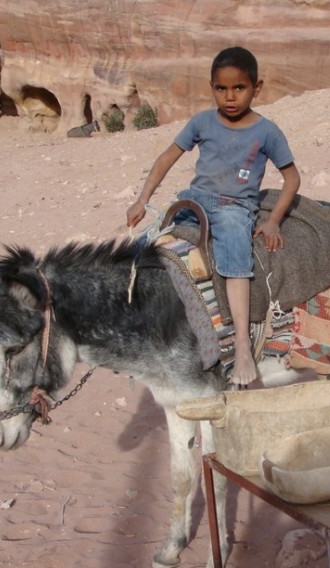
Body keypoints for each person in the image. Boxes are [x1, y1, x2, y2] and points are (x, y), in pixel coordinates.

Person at [126, 46, 301, 386]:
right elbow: (167, 157)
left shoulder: (267, 132)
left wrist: (274, 219)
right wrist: (142, 200)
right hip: (195, 202)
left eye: (239, 88)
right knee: (150, 245)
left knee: (235, 259)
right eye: (221, 89)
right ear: (211, 87)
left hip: (235, 208)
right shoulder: (202, 121)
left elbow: (292, 178)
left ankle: (242, 347)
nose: (230, 96)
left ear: (257, 87)